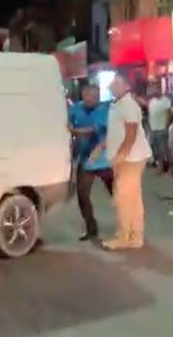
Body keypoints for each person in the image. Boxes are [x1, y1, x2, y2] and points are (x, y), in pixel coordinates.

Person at [101, 72, 152, 251]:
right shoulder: (118, 104)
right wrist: (100, 148)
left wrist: (122, 155)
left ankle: (127, 237)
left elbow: (131, 133)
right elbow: (115, 132)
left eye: (116, 83)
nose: (112, 86)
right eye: (112, 83)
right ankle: (133, 234)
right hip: (127, 157)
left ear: (126, 87)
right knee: (131, 198)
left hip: (131, 158)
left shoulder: (129, 105)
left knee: (124, 198)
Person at [68, 83, 112, 241]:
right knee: (82, 194)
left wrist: (72, 131)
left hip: (105, 159)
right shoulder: (75, 109)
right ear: (83, 95)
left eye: (96, 97)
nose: (94, 100)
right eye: (90, 96)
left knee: (117, 195)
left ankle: (128, 225)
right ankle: (91, 227)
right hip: (86, 160)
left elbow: (93, 130)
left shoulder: (104, 109)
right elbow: (67, 124)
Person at [147, 86, 172, 174]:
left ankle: (170, 167)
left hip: (162, 128)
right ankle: (160, 167)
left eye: (155, 89)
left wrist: (166, 126)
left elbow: (169, 114)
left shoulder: (165, 101)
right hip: (153, 129)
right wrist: (150, 128)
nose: (153, 91)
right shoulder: (151, 102)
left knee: (164, 149)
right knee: (157, 150)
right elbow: (150, 115)